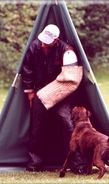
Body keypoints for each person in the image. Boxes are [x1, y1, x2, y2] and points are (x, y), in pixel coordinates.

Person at [22, 24, 83, 172]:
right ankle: (34, 165)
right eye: (42, 40)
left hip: (62, 93)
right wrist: (30, 91)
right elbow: (27, 68)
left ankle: (78, 165)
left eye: (46, 41)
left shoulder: (66, 50)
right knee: (37, 129)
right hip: (40, 92)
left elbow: (71, 78)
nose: (42, 43)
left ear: (56, 40)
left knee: (68, 124)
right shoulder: (34, 46)